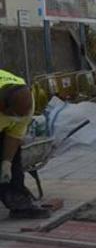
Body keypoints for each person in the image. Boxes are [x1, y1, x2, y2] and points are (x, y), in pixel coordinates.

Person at [0, 70, 50, 219]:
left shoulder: (25, 102)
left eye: (20, 115)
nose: (17, 118)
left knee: (13, 164)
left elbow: (14, 135)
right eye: (13, 114)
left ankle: (20, 206)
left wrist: (6, 162)